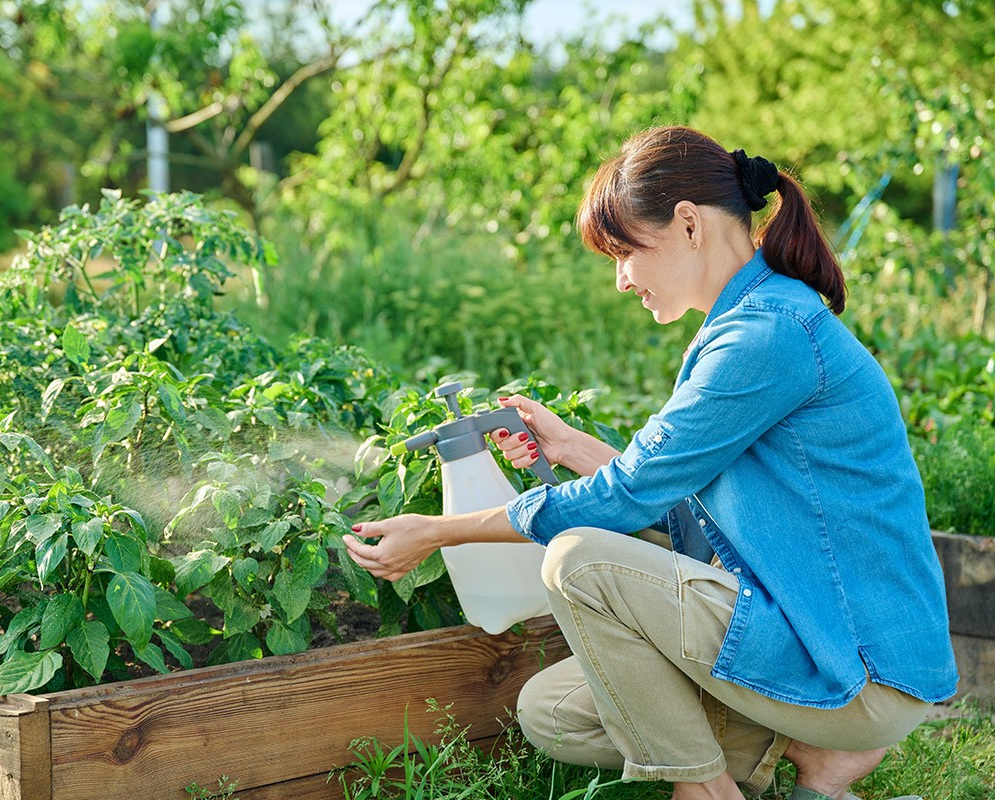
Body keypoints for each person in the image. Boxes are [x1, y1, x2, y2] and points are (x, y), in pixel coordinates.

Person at [343, 125, 958, 800]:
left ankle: (711, 789)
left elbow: (631, 495)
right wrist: (572, 448)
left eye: (624, 253)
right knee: (552, 711)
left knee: (578, 560)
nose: (620, 279)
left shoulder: (765, 336)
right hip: (800, 627)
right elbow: (688, 508)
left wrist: (437, 531)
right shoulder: (748, 320)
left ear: (688, 224)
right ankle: (799, 758)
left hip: (852, 661)